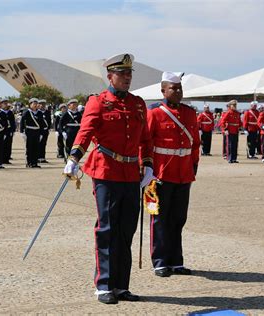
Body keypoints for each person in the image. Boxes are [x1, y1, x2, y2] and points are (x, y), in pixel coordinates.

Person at [63, 53, 153, 304]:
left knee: (127, 231)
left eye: (130, 73)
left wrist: (147, 165)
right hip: (106, 171)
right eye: (122, 74)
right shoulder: (98, 101)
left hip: (130, 174)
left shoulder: (137, 104)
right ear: (110, 76)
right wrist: (74, 158)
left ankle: (121, 286)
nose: (127, 78)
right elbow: (86, 131)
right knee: (107, 229)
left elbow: (145, 138)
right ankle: (103, 285)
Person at [145, 71, 200, 278]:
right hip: (160, 174)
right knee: (159, 218)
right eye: (173, 88)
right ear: (163, 90)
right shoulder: (155, 113)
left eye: (179, 88)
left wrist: (193, 165)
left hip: (183, 173)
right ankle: (160, 261)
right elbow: (146, 143)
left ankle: (176, 261)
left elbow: (195, 143)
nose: (177, 92)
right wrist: (146, 169)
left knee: (178, 219)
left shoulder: (189, 113)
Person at [20, 98, 43, 168]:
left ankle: (35, 162)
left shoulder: (39, 113)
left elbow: (41, 123)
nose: (35, 105)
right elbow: (22, 122)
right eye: (34, 104)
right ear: (30, 105)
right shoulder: (27, 112)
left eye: (36, 104)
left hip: (37, 131)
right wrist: (22, 132)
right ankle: (29, 162)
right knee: (29, 148)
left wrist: (41, 133)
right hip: (29, 131)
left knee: (36, 148)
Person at [2, 98, 16, 164]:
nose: (5, 104)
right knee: (2, 145)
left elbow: (13, 122)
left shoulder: (10, 112)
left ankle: (7, 158)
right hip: (2, 131)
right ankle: (1, 158)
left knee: (8, 144)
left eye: (6, 103)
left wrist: (13, 130)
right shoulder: (0, 112)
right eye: (4, 103)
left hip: (9, 130)